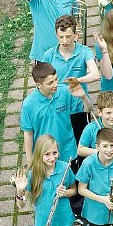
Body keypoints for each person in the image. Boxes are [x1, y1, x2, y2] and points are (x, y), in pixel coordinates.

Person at [20, 62, 92, 170]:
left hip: (68, 152)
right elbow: (28, 133)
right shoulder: (28, 104)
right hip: (45, 156)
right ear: (38, 85)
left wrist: (83, 97)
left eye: (56, 79)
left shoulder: (65, 91)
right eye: (50, 83)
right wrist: (30, 161)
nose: (55, 84)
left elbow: (88, 109)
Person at [41, 15, 100, 143]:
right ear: (56, 35)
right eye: (61, 37)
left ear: (75, 35)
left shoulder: (84, 52)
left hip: (79, 107)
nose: (64, 41)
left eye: (68, 36)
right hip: (58, 108)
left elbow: (95, 74)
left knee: (82, 142)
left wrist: (78, 80)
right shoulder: (49, 55)